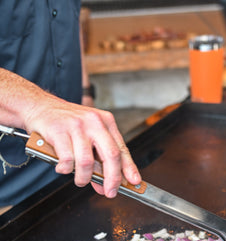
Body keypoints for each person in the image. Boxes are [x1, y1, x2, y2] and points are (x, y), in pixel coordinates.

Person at [0, 1, 141, 208]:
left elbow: (66, 21)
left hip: (69, 170)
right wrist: (37, 106)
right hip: (7, 188)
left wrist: (85, 95)